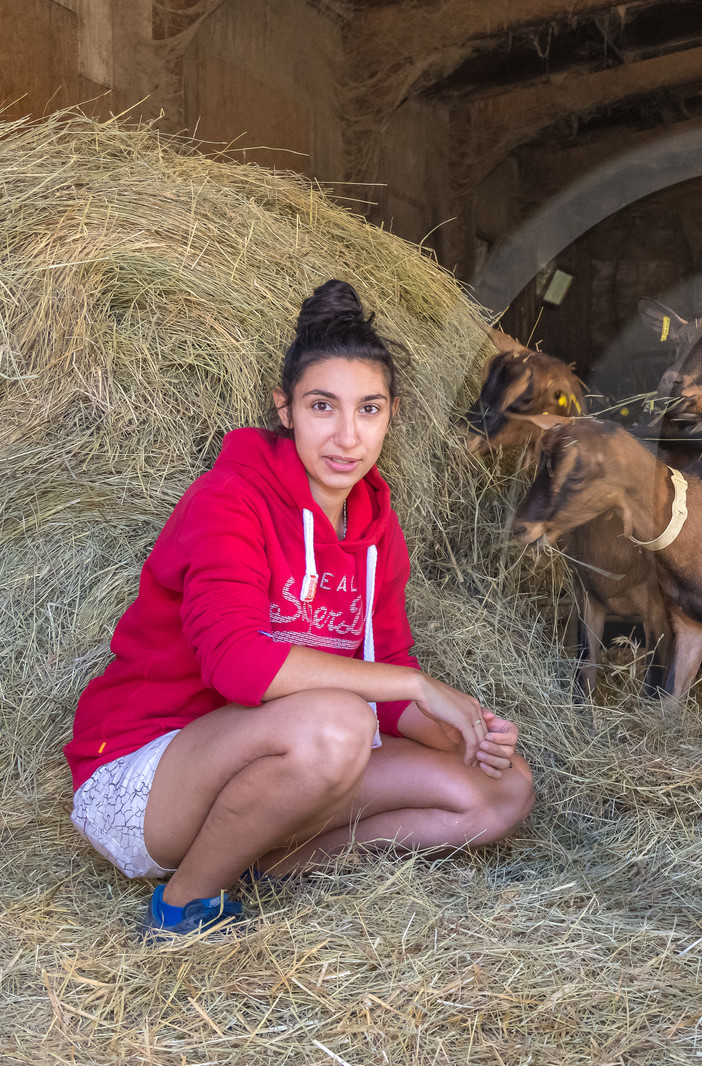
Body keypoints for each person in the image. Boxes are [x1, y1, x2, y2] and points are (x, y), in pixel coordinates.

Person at [65, 280, 536, 937]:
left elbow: (385, 669)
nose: (348, 436)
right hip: (151, 775)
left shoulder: (376, 526)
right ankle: (184, 904)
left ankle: (268, 861)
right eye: (324, 407)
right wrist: (419, 686)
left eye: (368, 410)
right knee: (337, 723)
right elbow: (236, 666)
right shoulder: (229, 499)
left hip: (285, 763)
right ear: (284, 409)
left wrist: (463, 732)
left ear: (392, 414)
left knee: (503, 790)